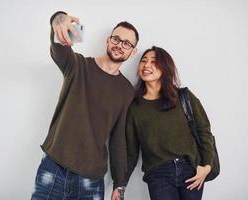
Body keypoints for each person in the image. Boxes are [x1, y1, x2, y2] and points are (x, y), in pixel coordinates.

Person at [31, 11, 139, 200]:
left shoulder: (126, 91)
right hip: (54, 166)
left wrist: (119, 183)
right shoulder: (78, 65)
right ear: (108, 40)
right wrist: (59, 19)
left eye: (127, 43)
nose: (120, 45)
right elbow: (60, 47)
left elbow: (118, 139)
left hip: (90, 179)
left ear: (133, 51)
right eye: (116, 39)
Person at [125, 46, 215, 200]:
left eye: (154, 62)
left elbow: (204, 131)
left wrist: (207, 165)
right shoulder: (134, 107)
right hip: (158, 174)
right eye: (144, 61)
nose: (146, 65)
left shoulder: (184, 97)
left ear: (165, 68)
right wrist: (120, 184)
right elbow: (131, 151)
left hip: (190, 170)